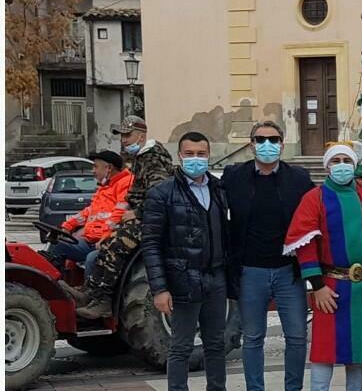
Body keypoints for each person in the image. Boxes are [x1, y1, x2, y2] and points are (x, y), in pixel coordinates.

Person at [283, 142, 362, 391]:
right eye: (335, 161)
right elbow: (305, 243)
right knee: (325, 349)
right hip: (331, 287)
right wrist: (317, 286)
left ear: (354, 164)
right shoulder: (315, 198)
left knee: (359, 350)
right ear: (327, 166)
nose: (341, 166)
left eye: (346, 160)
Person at [221, 121, 313, 391]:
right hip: (250, 271)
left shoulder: (298, 178)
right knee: (252, 338)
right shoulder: (234, 176)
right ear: (251, 145)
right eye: (260, 140)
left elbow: (314, 217)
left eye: (273, 139)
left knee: (297, 337)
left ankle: (292, 388)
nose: (267, 145)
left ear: (282, 144)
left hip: (289, 271)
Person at [142, 132, 229, 391]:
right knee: (181, 346)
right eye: (189, 154)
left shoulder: (218, 189)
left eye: (201, 154)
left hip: (216, 277)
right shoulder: (162, 193)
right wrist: (160, 288)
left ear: (208, 155)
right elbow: (151, 243)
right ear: (179, 156)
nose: (195, 159)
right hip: (183, 280)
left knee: (216, 344)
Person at [76, 115, 173, 319]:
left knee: (116, 247)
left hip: (151, 219)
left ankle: (104, 300)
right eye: (122, 136)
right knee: (105, 245)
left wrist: (137, 212)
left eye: (128, 135)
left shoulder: (153, 158)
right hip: (140, 216)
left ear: (141, 135)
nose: (124, 140)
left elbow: (160, 195)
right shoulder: (141, 158)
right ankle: (91, 292)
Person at [50, 150, 133, 278]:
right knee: (58, 246)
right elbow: (90, 211)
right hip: (91, 240)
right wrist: (67, 226)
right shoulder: (104, 186)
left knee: (92, 259)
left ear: (109, 168)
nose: (93, 171)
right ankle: (55, 286)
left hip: (109, 243)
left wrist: (105, 238)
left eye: (96, 167)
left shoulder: (125, 183)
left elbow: (119, 214)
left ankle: (90, 295)